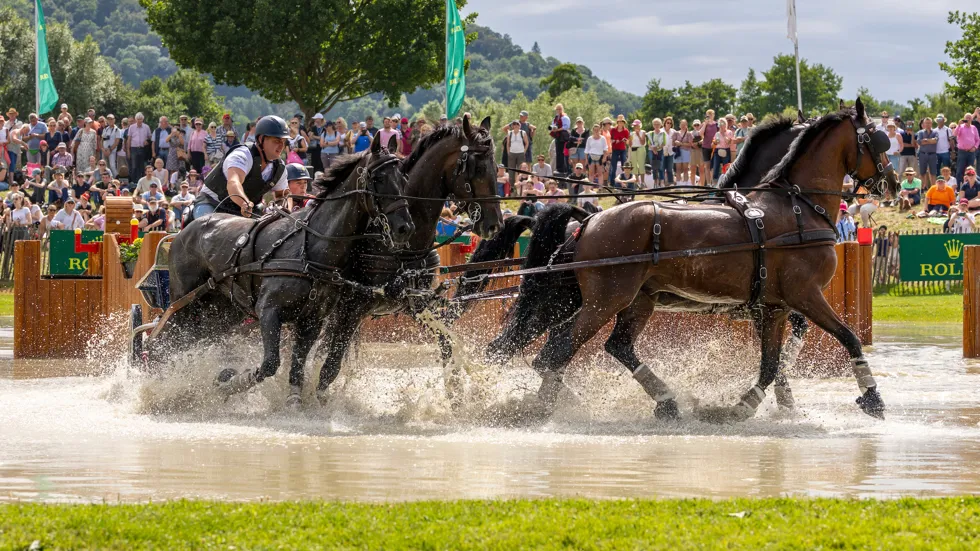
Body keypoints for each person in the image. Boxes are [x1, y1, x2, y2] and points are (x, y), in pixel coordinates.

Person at [193, 115, 290, 219]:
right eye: (276, 141)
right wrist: (244, 203)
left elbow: (282, 196)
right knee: (207, 229)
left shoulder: (280, 168)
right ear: (261, 139)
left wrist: (282, 211)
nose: (281, 146)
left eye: (284, 142)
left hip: (245, 210)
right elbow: (233, 183)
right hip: (212, 203)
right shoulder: (242, 155)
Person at [955, 112, 980, 183]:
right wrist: (958, 125)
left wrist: (975, 147)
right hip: (962, 151)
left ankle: (970, 185)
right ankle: (959, 187)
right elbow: (955, 134)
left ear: (971, 119)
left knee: (970, 170)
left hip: (971, 152)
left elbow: (978, 140)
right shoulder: (961, 127)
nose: (968, 119)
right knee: (960, 170)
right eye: (966, 118)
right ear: (964, 118)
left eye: (969, 118)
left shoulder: (974, 128)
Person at [916, 117, 939, 190]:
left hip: (932, 154)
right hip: (923, 154)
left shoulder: (935, 132)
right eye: (926, 123)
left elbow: (935, 141)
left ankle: (933, 188)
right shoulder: (920, 132)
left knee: (933, 173)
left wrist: (926, 140)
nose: (928, 124)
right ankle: (923, 188)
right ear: (924, 124)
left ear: (931, 123)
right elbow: (920, 142)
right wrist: (930, 140)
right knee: (922, 172)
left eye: (929, 123)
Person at [608, 115, 630, 186]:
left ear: (624, 122)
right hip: (614, 149)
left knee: (624, 166)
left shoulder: (626, 131)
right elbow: (610, 140)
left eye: (622, 122)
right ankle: (612, 183)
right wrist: (614, 141)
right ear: (617, 122)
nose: (620, 123)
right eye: (619, 122)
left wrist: (625, 140)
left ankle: (624, 182)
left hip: (622, 149)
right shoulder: (613, 130)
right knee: (613, 167)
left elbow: (627, 142)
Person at [504, 120, 528, 186]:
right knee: (511, 170)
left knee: (521, 170)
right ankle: (511, 186)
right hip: (512, 153)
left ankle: (521, 184)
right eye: (514, 124)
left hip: (520, 153)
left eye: (517, 124)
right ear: (513, 126)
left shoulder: (523, 133)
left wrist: (524, 151)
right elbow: (508, 144)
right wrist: (508, 152)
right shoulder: (510, 133)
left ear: (519, 126)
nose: (516, 126)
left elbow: (527, 143)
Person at [711, 118, 733, 183]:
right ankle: (715, 184)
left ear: (725, 124)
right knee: (715, 168)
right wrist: (714, 142)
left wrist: (723, 134)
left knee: (725, 168)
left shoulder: (729, 132)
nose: (720, 125)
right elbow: (712, 145)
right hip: (717, 151)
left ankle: (725, 183)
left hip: (726, 150)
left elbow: (728, 142)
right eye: (719, 123)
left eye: (722, 123)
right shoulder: (717, 133)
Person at [700, 110, 719, 185]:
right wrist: (705, 124)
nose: (710, 116)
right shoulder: (704, 124)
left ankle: (714, 182)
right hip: (705, 147)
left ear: (714, 115)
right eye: (708, 115)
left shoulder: (716, 124)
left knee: (714, 166)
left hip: (714, 147)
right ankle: (708, 183)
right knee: (707, 166)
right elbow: (700, 134)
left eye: (711, 114)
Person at [629, 120, 647, 188]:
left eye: (637, 125)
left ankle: (642, 182)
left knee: (641, 165)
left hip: (641, 148)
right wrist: (629, 140)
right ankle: (636, 182)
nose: (635, 127)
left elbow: (642, 143)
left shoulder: (643, 132)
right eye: (634, 125)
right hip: (633, 149)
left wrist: (638, 135)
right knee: (634, 165)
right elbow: (630, 144)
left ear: (640, 126)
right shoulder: (631, 133)